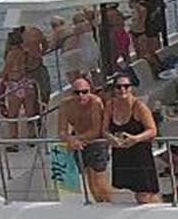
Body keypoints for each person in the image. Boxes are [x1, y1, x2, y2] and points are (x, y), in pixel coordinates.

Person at [106, 73, 160, 204]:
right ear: (114, 89)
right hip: (121, 153)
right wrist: (111, 138)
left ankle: (157, 215)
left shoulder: (139, 107)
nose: (122, 90)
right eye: (119, 87)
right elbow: (104, 129)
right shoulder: (110, 105)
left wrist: (135, 138)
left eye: (126, 86)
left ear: (131, 88)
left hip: (140, 154)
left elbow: (152, 130)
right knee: (136, 192)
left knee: (145, 193)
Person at [58, 77, 112, 202]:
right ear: (72, 93)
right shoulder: (65, 105)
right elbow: (61, 130)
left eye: (85, 92)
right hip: (79, 142)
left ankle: (109, 204)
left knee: (99, 179)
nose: (81, 95)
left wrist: (75, 138)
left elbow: (96, 130)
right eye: (77, 92)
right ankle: (99, 204)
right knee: (89, 179)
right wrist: (70, 139)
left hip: (96, 142)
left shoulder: (95, 102)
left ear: (90, 91)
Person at [0, 28, 37, 151]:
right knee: (29, 112)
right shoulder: (25, 52)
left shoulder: (11, 54)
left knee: (12, 116)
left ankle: (14, 142)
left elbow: (6, 71)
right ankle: (32, 137)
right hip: (25, 82)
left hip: (15, 85)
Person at [22, 22, 52, 106]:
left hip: (26, 69)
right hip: (35, 66)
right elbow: (45, 45)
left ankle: (39, 111)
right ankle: (42, 110)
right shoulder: (36, 32)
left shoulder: (16, 38)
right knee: (44, 92)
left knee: (32, 95)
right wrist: (39, 53)